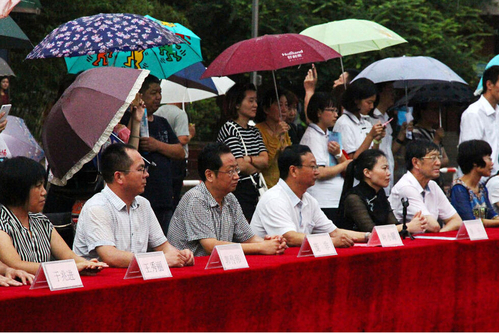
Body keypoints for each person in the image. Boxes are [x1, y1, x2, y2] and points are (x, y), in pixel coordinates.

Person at [73, 144, 194, 268]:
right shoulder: (97, 207)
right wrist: (160, 260)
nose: (146, 174)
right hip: (102, 283)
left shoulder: (143, 204)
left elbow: (163, 247)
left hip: (135, 279)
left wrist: (180, 255)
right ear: (119, 177)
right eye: (141, 169)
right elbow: (110, 256)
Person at [168, 142, 287, 257]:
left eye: (237, 169)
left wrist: (272, 243)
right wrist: (262, 247)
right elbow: (211, 246)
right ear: (209, 175)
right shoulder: (196, 199)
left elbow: (248, 238)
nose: (236, 176)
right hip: (190, 270)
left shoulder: (230, 198)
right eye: (230, 171)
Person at [0, 157, 108, 275]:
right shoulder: (3, 224)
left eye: (43, 186)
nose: (44, 192)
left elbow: (68, 256)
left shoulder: (41, 221)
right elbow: (16, 264)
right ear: (18, 190)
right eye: (38, 186)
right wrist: (68, 268)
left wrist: (87, 264)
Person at [251, 145, 370, 247]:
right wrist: (332, 242)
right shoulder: (274, 199)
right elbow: (290, 237)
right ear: (293, 171)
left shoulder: (309, 200)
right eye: (313, 167)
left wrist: (368, 236)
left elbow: (334, 232)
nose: (317, 171)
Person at [121, 74, 185, 234]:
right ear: (140, 95)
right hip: (141, 197)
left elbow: (180, 152)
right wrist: (136, 116)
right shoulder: (129, 119)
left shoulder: (162, 122)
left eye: (160, 92)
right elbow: (127, 149)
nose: (158, 97)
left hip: (164, 197)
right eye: (153, 93)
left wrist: (157, 145)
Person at [338, 149, 427, 232]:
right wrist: (407, 227)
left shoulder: (379, 192)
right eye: (384, 168)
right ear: (367, 173)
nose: (388, 173)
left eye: (388, 168)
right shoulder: (353, 198)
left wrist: (411, 224)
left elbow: (392, 223)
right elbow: (371, 231)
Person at [217, 83, 268, 220]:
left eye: (256, 100)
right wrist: (251, 162)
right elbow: (239, 165)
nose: (255, 105)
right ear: (237, 104)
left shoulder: (255, 131)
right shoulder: (230, 129)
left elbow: (265, 161)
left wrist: (248, 159)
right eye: (250, 101)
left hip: (255, 190)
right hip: (238, 191)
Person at [389, 140, 462, 232]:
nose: (438, 162)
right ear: (416, 162)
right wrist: (438, 234)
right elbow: (432, 226)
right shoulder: (405, 187)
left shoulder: (432, 185)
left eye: (439, 157)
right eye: (433, 158)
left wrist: (440, 234)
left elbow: (456, 221)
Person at [300, 92, 351, 223]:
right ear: (319, 113)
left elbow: (348, 167)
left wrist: (340, 156)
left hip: (336, 199)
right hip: (323, 200)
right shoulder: (312, 136)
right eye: (332, 110)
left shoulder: (330, 134)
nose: (336, 114)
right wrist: (344, 165)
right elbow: (319, 172)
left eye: (336, 110)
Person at [459, 65, 499, 177]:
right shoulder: (473, 113)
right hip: (478, 181)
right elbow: (470, 154)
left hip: (495, 179)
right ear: (489, 85)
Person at [155, 102, 195, 208]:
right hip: (176, 160)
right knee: (175, 194)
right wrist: (190, 134)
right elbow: (182, 139)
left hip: (161, 157)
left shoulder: (158, 111)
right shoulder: (180, 114)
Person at [333, 78, 385, 159]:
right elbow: (352, 161)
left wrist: (376, 140)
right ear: (356, 100)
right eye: (369, 102)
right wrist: (370, 136)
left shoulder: (365, 122)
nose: (371, 107)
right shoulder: (344, 123)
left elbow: (373, 156)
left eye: (373, 103)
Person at [450, 140, 499, 226]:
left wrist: (496, 218)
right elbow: (469, 220)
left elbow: (491, 213)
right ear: (475, 162)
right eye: (488, 158)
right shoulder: (459, 188)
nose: (492, 163)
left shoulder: (481, 187)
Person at [254, 88, 291, 188]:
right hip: (266, 187)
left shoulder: (284, 130)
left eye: (286, 105)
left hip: (283, 186)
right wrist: (275, 136)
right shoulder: (258, 131)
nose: (283, 109)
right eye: (278, 105)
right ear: (266, 109)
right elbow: (265, 163)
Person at [369, 82, 396, 194]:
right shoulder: (371, 118)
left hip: (388, 172)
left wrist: (401, 135)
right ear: (380, 93)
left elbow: (390, 149)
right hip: (376, 173)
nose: (393, 94)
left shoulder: (387, 118)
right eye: (389, 91)